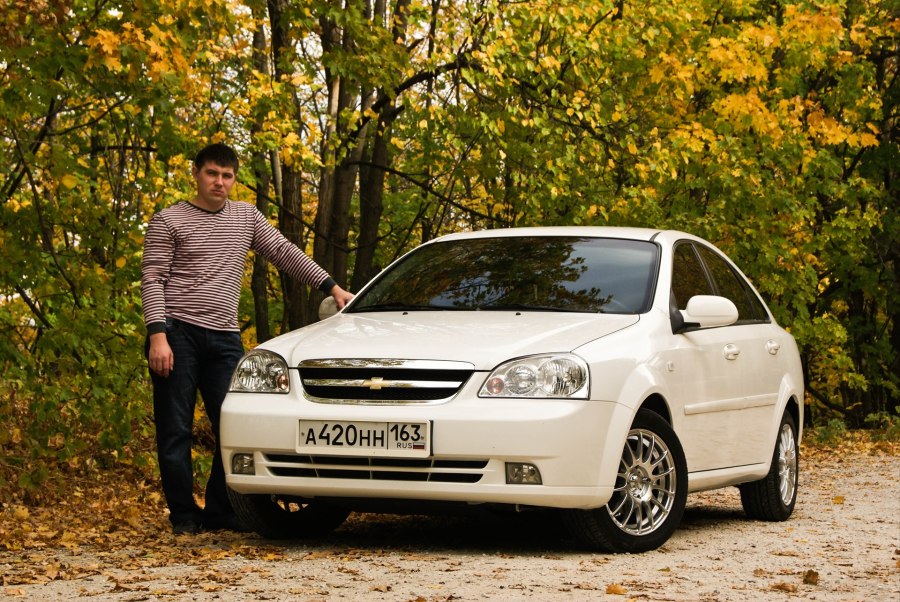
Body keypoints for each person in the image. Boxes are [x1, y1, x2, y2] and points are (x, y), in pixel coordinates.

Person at [141, 143, 353, 534]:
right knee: (176, 429)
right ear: (196, 174)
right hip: (177, 333)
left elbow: (283, 252)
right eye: (211, 174)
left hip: (224, 337)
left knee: (233, 426)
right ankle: (184, 515)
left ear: (234, 179)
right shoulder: (168, 220)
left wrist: (331, 286)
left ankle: (220, 511)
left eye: (227, 176)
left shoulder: (245, 217)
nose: (219, 182)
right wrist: (157, 336)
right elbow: (152, 279)